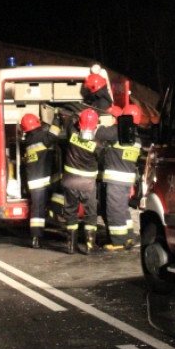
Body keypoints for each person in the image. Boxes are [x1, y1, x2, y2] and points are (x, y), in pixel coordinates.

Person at [96, 104, 143, 250]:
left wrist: (102, 121)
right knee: (122, 209)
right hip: (127, 180)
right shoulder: (137, 138)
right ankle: (128, 237)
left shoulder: (117, 132)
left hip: (116, 180)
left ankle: (118, 242)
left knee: (114, 210)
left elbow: (98, 132)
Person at [60, 107, 102, 254]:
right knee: (90, 214)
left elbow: (68, 122)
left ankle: (71, 246)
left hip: (70, 182)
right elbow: (102, 159)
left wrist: (74, 118)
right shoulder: (97, 145)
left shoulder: (72, 134)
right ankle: (90, 246)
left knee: (70, 212)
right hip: (87, 184)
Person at [19, 113, 61, 249]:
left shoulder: (28, 141)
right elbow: (54, 134)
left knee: (37, 211)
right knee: (61, 191)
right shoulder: (41, 136)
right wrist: (56, 118)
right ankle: (54, 212)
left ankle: (36, 238)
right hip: (48, 179)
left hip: (35, 183)